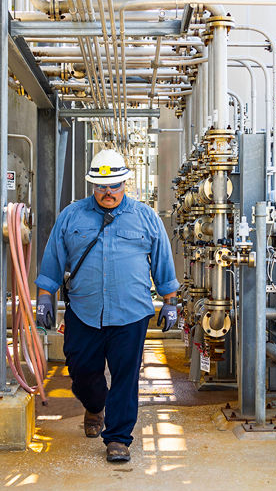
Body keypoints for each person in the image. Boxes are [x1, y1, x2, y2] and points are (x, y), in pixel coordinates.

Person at [34, 148, 179, 463]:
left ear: (125, 182)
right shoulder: (71, 216)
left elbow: (163, 260)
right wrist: (45, 296)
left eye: (114, 185)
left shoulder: (145, 217)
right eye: (101, 187)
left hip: (131, 312)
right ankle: (94, 405)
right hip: (84, 311)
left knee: (126, 376)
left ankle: (118, 439)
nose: (108, 192)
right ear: (92, 186)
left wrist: (170, 302)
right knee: (82, 371)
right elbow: (53, 258)